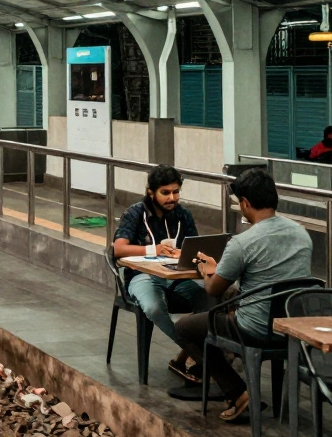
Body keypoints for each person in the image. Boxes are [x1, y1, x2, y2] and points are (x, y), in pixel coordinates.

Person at [172, 168, 314, 422]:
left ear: (246, 203)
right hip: (291, 327)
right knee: (230, 303)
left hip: (255, 329)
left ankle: (237, 392)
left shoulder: (243, 242)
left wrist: (207, 271)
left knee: (185, 328)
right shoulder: (301, 234)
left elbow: (213, 289)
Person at [112, 165, 205, 383]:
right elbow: (118, 248)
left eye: (176, 192)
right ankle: (198, 353)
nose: (172, 198)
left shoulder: (183, 215)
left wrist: (185, 254)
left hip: (177, 276)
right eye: (166, 193)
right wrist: (153, 250)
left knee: (210, 298)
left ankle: (195, 355)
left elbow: (195, 247)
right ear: (151, 192)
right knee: (153, 308)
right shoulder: (135, 213)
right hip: (141, 275)